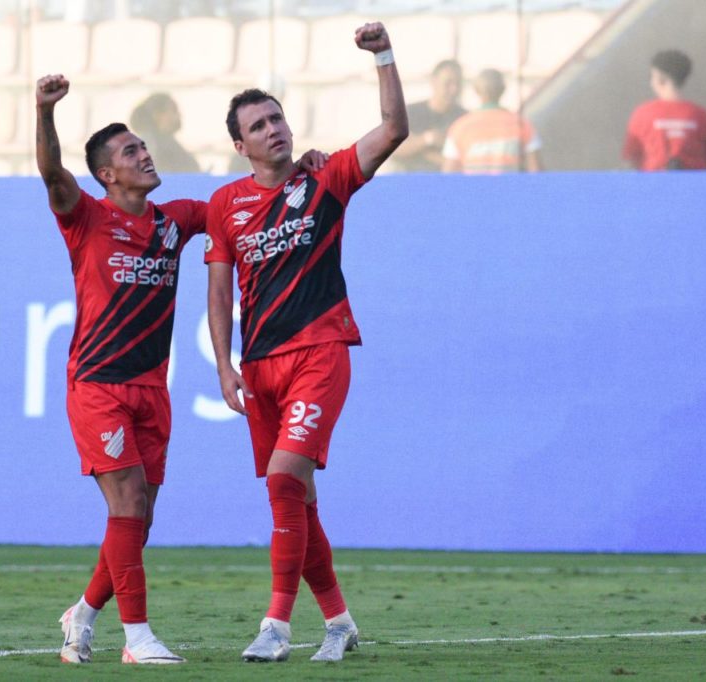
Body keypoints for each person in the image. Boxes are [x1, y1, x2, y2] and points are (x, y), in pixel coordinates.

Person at [36, 73, 326, 666]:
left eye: (143, 146)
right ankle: (136, 638)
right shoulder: (85, 218)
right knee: (126, 506)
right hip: (98, 386)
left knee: (138, 518)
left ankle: (83, 613)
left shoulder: (176, 221)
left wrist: (303, 171)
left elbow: (244, 200)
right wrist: (44, 113)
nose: (144, 155)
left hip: (151, 392)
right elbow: (51, 172)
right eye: (129, 153)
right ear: (108, 176)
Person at [204, 21, 407, 663]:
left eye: (278, 118)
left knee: (286, 478)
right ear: (241, 144)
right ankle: (340, 622)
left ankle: (276, 625)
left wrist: (383, 56)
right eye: (259, 125)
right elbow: (218, 293)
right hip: (259, 366)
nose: (275, 129)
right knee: (297, 498)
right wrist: (223, 366)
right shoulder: (225, 205)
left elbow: (394, 130)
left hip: (321, 353)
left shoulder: (325, 180)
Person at [622, 49, 706, 171]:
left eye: (652, 76)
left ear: (659, 79)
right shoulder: (701, 115)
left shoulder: (642, 114)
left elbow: (631, 158)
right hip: (694, 187)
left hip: (653, 186)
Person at [441, 68, 542, 174]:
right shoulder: (522, 125)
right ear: (503, 89)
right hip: (510, 190)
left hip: (474, 190)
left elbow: (449, 176)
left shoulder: (459, 127)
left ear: (476, 91)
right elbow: (536, 172)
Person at [395, 59, 466, 173]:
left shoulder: (465, 119)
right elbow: (393, 149)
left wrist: (418, 147)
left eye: (458, 83)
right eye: (448, 83)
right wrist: (428, 139)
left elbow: (468, 160)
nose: (454, 89)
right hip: (409, 183)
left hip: (450, 185)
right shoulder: (409, 113)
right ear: (434, 82)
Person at [130, 92, 201, 173]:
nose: (179, 115)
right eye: (174, 110)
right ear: (158, 115)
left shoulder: (166, 142)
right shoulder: (150, 143)